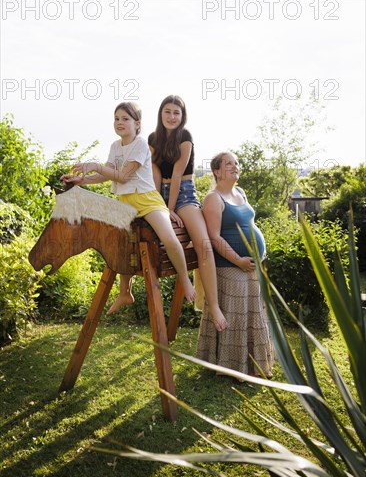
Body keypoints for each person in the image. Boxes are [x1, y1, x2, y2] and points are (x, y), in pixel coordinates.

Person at [61, 101, 196, 313]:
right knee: (121, 246)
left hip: (147, 200)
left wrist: (95, 165)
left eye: (125, 119)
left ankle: (186, 280)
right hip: (125, 202)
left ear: (137, 123)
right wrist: (82, 181)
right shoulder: (115, 147)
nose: (120, 123)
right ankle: (125, 292)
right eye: (116, 119)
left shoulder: (141, 145)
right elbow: (106, 174)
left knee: (169, 238)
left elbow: (123, 176)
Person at [148, 95, 228, 332]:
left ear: (182, 116)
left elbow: (176, 174)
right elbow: (153, 171)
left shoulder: (185, 137)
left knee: (203, 243)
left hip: (182, 193)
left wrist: (170, 208)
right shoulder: (152, 139)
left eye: (176, 113)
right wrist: (158, 204)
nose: (171, 117)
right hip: (158, 193)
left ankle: (213, 306)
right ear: (160, 114)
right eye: (167, 112)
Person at [196, 151, 274, 380]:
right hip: (228, 267)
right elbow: (214, 237)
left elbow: (250, 223)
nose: (235, 166)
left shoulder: (240, 193)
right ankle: (234, 367)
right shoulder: (213, 198)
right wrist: (238, 260)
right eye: (228, 164)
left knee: (255, 315)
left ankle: (255, 366)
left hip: (251, 267)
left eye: (236, 163)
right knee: (238, 317)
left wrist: (261, 249)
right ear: (217, 171)